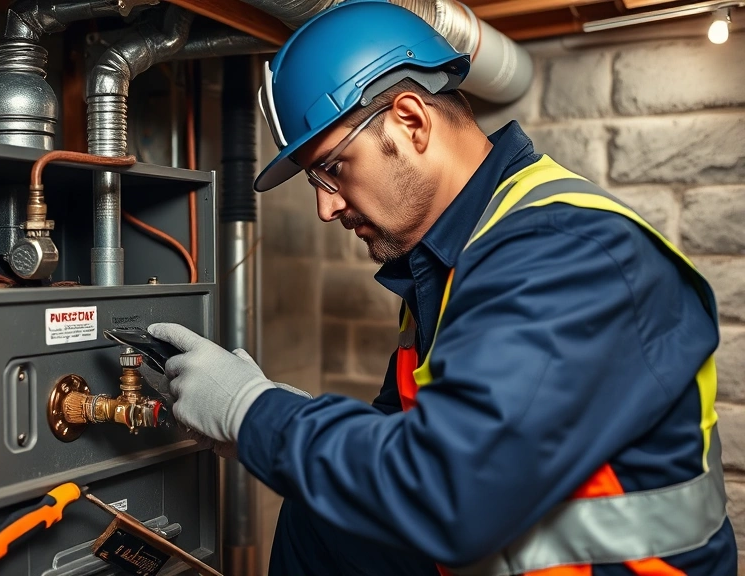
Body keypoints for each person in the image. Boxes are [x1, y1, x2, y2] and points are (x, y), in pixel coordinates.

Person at [146, 1, 737, 574]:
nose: (326, 206)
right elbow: (404, 442)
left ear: (410, 120)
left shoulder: (561, 252)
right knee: (319, 515)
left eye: (331, 169)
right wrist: (276, 409)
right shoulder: (450, 262)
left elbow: (457, 494)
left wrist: (252, 413)